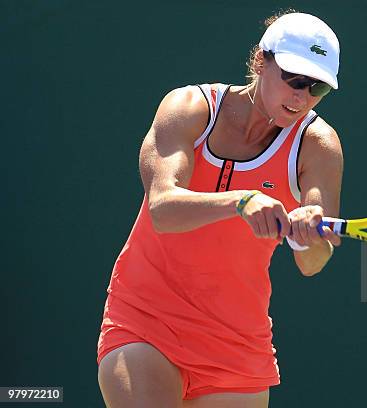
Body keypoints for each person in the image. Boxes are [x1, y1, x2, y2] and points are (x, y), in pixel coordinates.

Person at [97, 11, 343, 408]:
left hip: (237, 346)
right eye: (294, 78)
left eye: (317, 87)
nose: (301, 95)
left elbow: (314, 261)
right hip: (146, 321)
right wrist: (242, 201)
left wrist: (306, 236)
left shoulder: (319, 144)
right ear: (262, 61)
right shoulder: (190, 107)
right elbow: (163, 208)